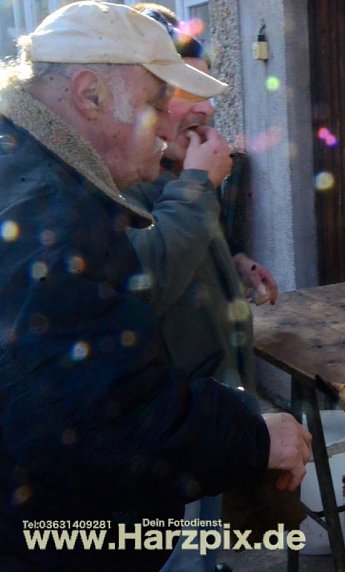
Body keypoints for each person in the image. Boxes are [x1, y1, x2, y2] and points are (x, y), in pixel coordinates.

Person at [0, 3, 310, 570]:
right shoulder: (44, 212)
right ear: (90, 95)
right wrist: (250, 437)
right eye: (154, 104)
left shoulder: (42, 174)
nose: (170, 124)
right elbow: (99, 418)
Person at [124, 5, 297, 570]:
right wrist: (199, 184)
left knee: (201, 536)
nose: (205, 106)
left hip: (209, 401)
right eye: (180, 88)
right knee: (174, 550)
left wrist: (237, 263)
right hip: (164, 430)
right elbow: (145, 279)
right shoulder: (125, 179)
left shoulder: (177, 170)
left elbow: (195, 242)